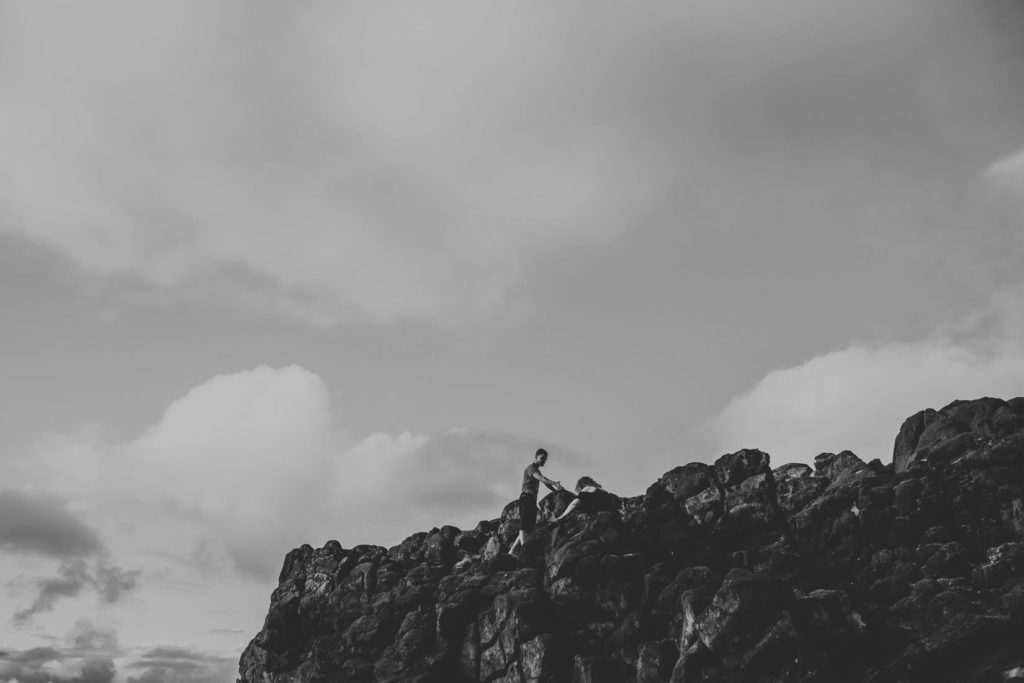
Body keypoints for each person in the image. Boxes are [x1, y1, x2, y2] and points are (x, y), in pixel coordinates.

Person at [509, 448, 562, 554]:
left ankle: (512, 551)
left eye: (545, 459)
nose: (544, 461)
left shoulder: (537, 470)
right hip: (526, 497)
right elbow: (542, 479)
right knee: (524, 524)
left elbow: (544, 481)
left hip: (531, 499)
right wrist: (555, 483)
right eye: (542, 458)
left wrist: (554, 490)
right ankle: (525, 549)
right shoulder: (531, 468)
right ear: (536, 457)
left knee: (529, 526)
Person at [554, 476, 619, 521]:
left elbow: (576, 502)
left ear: (581, 485)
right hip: (612, 516)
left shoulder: (588, 488)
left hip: (602, 517)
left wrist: (562, 517)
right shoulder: (603, 491)